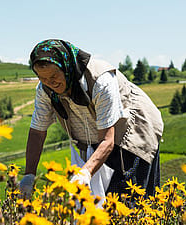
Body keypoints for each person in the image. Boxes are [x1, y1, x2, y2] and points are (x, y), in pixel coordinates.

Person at [19, 39, 163, 199]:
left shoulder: (101, 80)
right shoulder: (44, 90)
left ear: (66, 67)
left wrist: (85, 174)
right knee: (95, 203)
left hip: (131, 132)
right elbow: (37, 133)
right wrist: (29, 174)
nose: (50, 83)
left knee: (128, 201)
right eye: (43, 78)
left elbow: (107, 140)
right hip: (96, 138)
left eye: (54, 76)